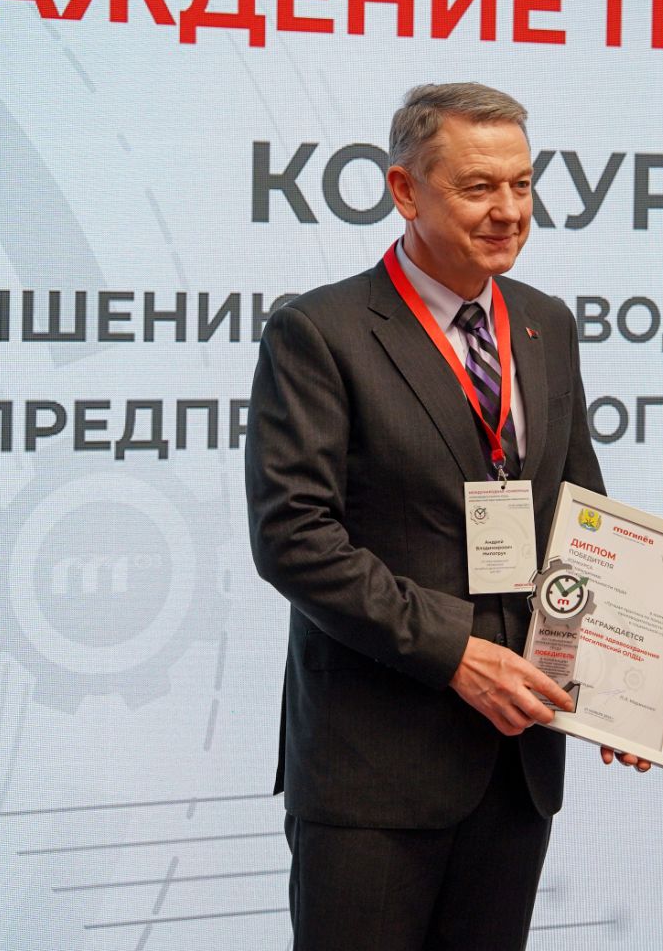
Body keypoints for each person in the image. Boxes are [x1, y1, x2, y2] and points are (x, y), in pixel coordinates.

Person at [248, 82, 638, 951]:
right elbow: (293, 538)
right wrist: (456, 653)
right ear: (405, 190)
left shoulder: (545, 323)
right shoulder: (320, 331)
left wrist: (621, 675)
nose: (509, 211)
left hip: (515, 764)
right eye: (478, 187)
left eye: (522, 184)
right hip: (373, 770)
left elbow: (582, 517)